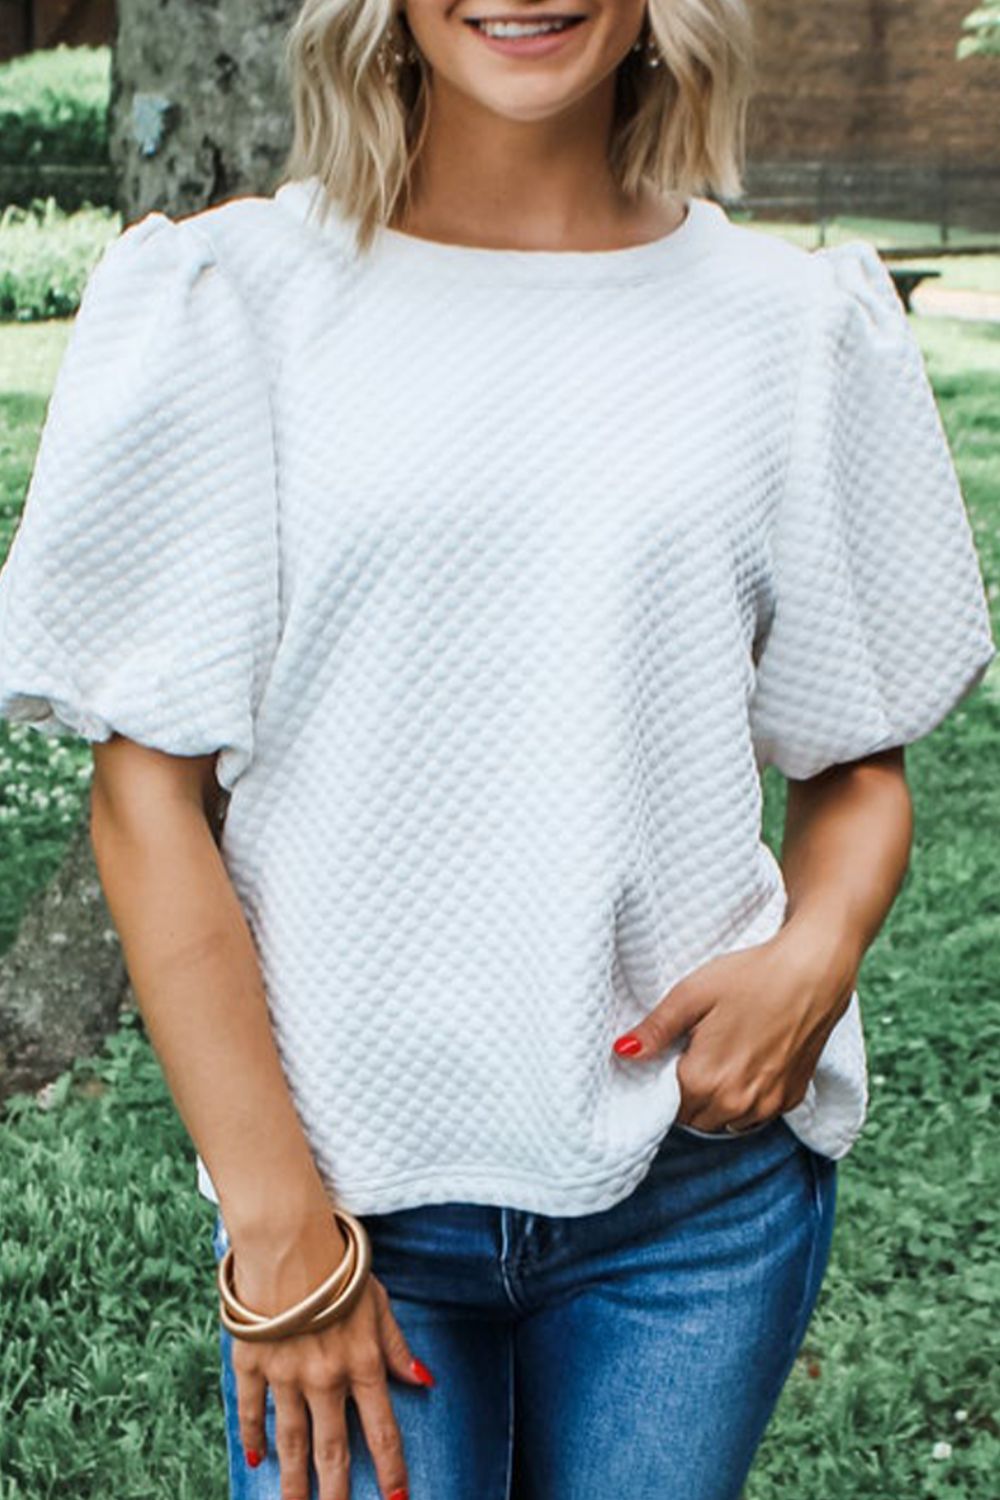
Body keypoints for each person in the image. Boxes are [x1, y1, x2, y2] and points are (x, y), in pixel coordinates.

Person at [0, 0, 995, 1496]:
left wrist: (816, 951)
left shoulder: (789, 324)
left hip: (697, 1201)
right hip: (345, 1201)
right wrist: (280, 1231)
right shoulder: (236, 297)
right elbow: (147, 802)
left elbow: (855, 759)